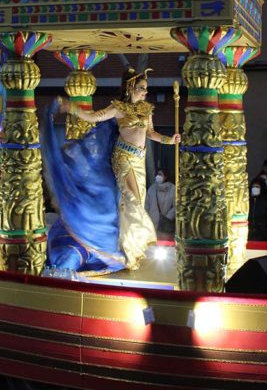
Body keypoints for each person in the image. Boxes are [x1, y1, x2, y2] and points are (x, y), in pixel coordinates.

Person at [45, 68, 180, 273]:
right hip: (123, 158)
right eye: (141, 88)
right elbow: (93, 117)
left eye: (146, 89)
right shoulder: (118, 108)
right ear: (130, 88)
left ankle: (129, 248)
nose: (145, 92)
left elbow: (150, 132)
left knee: (137, 202)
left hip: (139, 160)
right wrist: (70, 107)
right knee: (132, 202)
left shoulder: (146, 109)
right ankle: (129, 249)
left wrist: (169, 140)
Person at [145, 168, 176, 235]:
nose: (157, 177)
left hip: (165, 225)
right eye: (157, 174)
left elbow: (176, 206)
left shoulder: (173, 189)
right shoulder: (152, 189)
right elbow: (146, 205)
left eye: (160, 174)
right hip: (152, 225)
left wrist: (168, 218)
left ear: (166, 176)